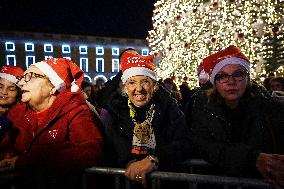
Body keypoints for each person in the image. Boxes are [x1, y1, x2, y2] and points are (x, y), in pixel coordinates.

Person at [0, 58, 103, 189]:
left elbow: (92, 152)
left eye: (30, 77)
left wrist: (28, 161)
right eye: (22, 78)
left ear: (53, 86)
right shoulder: (17, 111)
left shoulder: (75, 111)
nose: (21, 84)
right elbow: (7, 145)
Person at [189, 45, 284, 188]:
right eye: (222, 76)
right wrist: (252, 159)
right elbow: (203, 145)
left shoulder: (269, 109)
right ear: (215, 83)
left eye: (238, 74)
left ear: (248, 79)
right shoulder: (202, 109)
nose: (231, 81)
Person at [99, 49, 192, 187]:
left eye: (144, 82)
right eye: (132, 83)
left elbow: (185, 142)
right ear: (124, 87)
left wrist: (154, 159)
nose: (139, 88)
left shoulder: (168, 107)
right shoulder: (114, 110)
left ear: (154, 85)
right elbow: (111, 145)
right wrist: (130, 162)